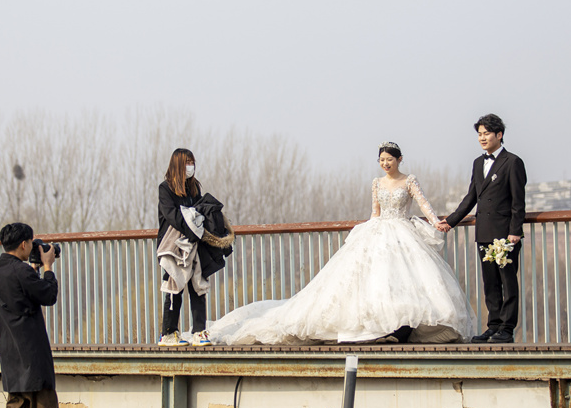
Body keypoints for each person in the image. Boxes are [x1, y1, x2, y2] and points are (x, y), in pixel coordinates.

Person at [208, 142, 475, 345]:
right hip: (379, 231)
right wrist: (367, 230)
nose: (385, 164)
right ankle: (381, 328)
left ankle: (400, 328)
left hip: (402, 230)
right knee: (373, 281)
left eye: (389, 160)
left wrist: (436, 222)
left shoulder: (409, 180)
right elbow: (375, 212)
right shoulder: (376, 183)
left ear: (399, 160)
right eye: (381, 160)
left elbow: (424, 205)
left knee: (402, 281)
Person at [0, 222, 73, 408]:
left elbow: (20, 294)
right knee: (43, 405)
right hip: (32, 348)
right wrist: (47, 267)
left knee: (16, 406)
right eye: (31, 243)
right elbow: (47, 295)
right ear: (24, 244)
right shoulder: (22, 272)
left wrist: (32, 269)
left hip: (9, 348)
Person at [436, 114, 527, 344]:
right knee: (490, 283)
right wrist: (451, 220)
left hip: (506, 235)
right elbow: (471, 197)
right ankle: (493, 326)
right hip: (484, 232)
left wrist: (515, 231)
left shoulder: (513, 162)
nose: (482, 138)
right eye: (479, 134)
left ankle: (507, 329)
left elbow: (518, 201)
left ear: (499, 135)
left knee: (508, 282)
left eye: (486, 133)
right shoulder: (478, 163)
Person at [157, 148, 232, 347]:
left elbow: (199, 213)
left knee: (198, 286)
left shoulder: (194, 188)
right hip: (173, 248)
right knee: (174, 288)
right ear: (178, 164)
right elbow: (172, 216)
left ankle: (199, 331)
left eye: (193, 162)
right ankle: (169, 333)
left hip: (195, 246)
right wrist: (192, 228)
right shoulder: (165, 189)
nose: (191, 166)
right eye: (187, 162)